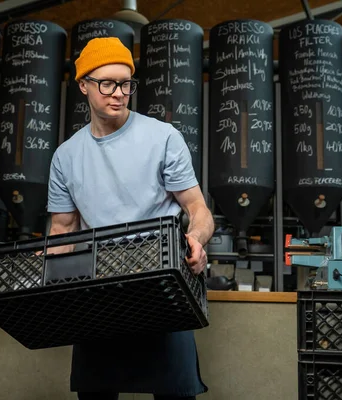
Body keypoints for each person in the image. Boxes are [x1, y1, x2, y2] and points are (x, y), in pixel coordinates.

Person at [46, 37, 215, 400]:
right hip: (99, 291)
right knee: (96, 393)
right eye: (106, 83)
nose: (118, 93)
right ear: (83, 86)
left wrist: (197, 240)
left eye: (125, 83)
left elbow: (198, 210)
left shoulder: (163, 138)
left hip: (163, 288)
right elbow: (62, 230)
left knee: (174, 393)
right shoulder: (66, 157)